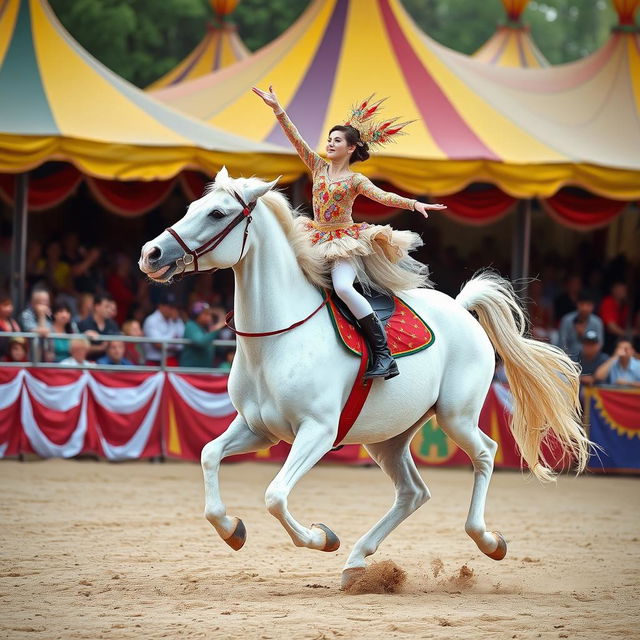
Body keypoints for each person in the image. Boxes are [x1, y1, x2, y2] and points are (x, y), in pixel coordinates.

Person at [253, 86, 445, 379]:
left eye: (337, 141)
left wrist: (413, 203)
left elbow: (382, 196)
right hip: (313, 236)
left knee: (343, 287)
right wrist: (277, 109)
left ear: (351, 148)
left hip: (343, 241)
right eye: (329, 140)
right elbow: (296, 139)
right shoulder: (317, 166)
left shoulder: (356, 179)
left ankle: (383, 354)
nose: (329, 144)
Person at [558, 290, 604, 361]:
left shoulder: (597, 322)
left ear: (593, 306)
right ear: (577, 304)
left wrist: (583, 335)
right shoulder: (567, 320)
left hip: (590, 360)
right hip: (569, 359)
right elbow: (562, 344)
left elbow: (599, 345)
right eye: (582, 304)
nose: (585, 308)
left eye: (588, 305)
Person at [142, 291, 184, 366]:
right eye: (170, 307)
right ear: (160, 306)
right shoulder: (151, 320)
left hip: (171, 359)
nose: (173, 310)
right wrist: (173, 344)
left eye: (174, 307)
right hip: (154, 361)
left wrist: (175, 322)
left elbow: (182, 343)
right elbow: (158, 345)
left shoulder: (176, 320)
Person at [179, 302, 226, 368]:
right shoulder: (191, 325)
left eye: (210, 315)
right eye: (205, 314)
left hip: (203, 372)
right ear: (196, 315)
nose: (209, 317)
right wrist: (217, 328)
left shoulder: (205, 327)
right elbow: (201, 342)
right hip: (190, 372)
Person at [77, 294, 120, 360]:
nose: (109, 310)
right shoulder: (83, 324)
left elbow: (118, 344)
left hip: (109, 365)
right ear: (97, 307)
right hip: (89, 363)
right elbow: (79, 348)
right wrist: (101, 347)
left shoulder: (113, 325)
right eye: (106, 307)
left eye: (109, 307)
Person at [599, 282, 630, 355]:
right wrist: (627, 334)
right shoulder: (608, 302)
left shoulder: (624, 305)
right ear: (613, 290)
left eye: (624, 289)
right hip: (607, 338)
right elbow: (611, 327)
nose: (623, 292)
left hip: (619, 338)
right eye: (620, 289)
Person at [0, 292, 21, 360]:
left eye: (10, 305)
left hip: (10, 360)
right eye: (5, 305)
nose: (9, 308)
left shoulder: (13, 322)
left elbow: (19, 339)